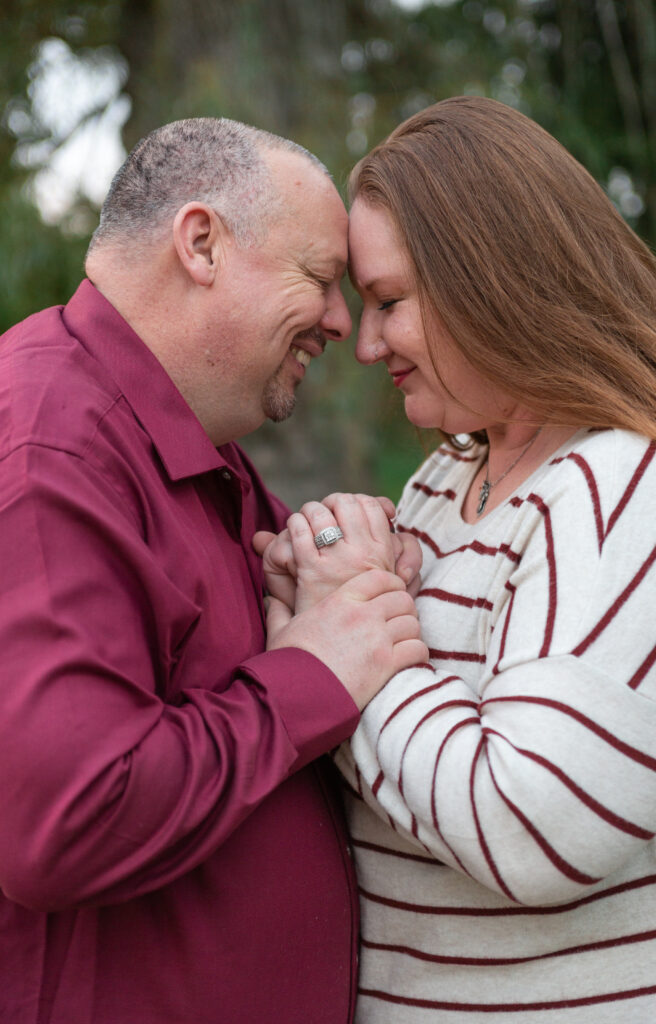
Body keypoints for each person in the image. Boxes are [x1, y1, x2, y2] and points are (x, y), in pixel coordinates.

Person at [261, 96, 656, 1022]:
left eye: (389, 303)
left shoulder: (631, 486)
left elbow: (532, 829)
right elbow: (396, 759)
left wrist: (345, 639)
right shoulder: (450, 475)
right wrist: (324, 597)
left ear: (490, 278)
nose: (367, 346)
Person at [0, 117, 428, 1024]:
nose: (343, 323)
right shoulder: (51, 451)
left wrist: (341, 547)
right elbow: (66, 821)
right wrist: (313, 677)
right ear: (200, 243)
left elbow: (314, 611)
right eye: (318, 279)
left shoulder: (192, 448)